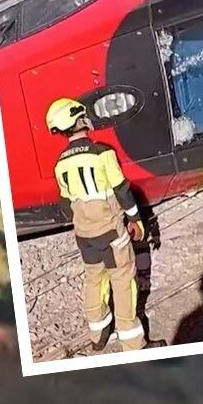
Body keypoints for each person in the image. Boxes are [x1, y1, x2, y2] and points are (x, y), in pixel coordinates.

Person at [46, 98, 147, 352]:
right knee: (123, 280)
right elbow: (122, 190)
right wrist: (135, 218)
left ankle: (98, 334)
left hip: (84, 235)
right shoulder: (102, 153)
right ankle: (133, 344)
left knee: (94, 279)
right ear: (79, 120)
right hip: (110, 232)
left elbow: (65, 203)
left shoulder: (60, 164)